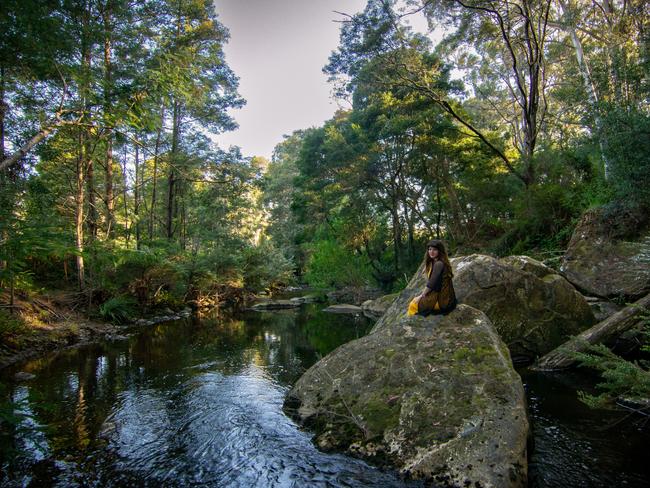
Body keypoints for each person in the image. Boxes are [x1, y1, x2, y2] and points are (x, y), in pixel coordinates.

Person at [407, 239, 457, 316]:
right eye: (430, 249)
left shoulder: (439, 264)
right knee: (415, 302)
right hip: (444, 297)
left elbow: (431, 284)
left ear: (439, 251)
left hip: (442, 300)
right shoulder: (435, 262)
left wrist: (420, 296)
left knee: (413, 304)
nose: (431, 252)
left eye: (435, 250)